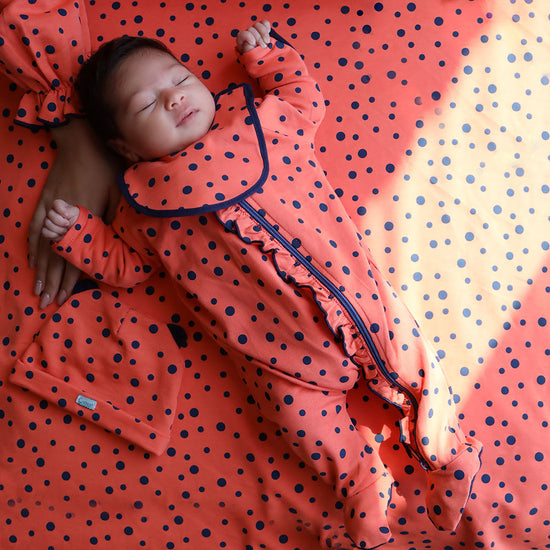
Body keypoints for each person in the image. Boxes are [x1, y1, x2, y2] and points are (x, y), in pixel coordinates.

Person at [37, 18, 483, 548]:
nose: (174, 98)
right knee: (304, 428)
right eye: (147, 104)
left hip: (358, 301)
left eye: (180, 80)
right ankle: (361, 492)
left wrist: (269, 59)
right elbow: (127, 266)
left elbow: (304, 100)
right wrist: (80, 236)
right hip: (276, 355)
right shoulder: (146, 205)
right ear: (127, 149)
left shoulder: (256, 124)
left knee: (413, 368)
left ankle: (448, 454)